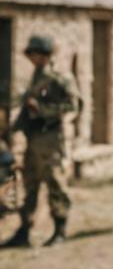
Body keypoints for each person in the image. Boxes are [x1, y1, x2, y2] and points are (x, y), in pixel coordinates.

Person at [0, 35, 78, 248]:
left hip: (51, 138)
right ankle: (25, 230)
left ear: (46, 55)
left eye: (38, 54)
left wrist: (43, 110)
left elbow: (73, 106)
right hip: (33, 138)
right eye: (32, 54)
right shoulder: (35, 77)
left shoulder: (59, 78)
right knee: (29, 183)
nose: (34, 59)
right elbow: (25, 106)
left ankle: (60, 228)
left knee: (55, 182)